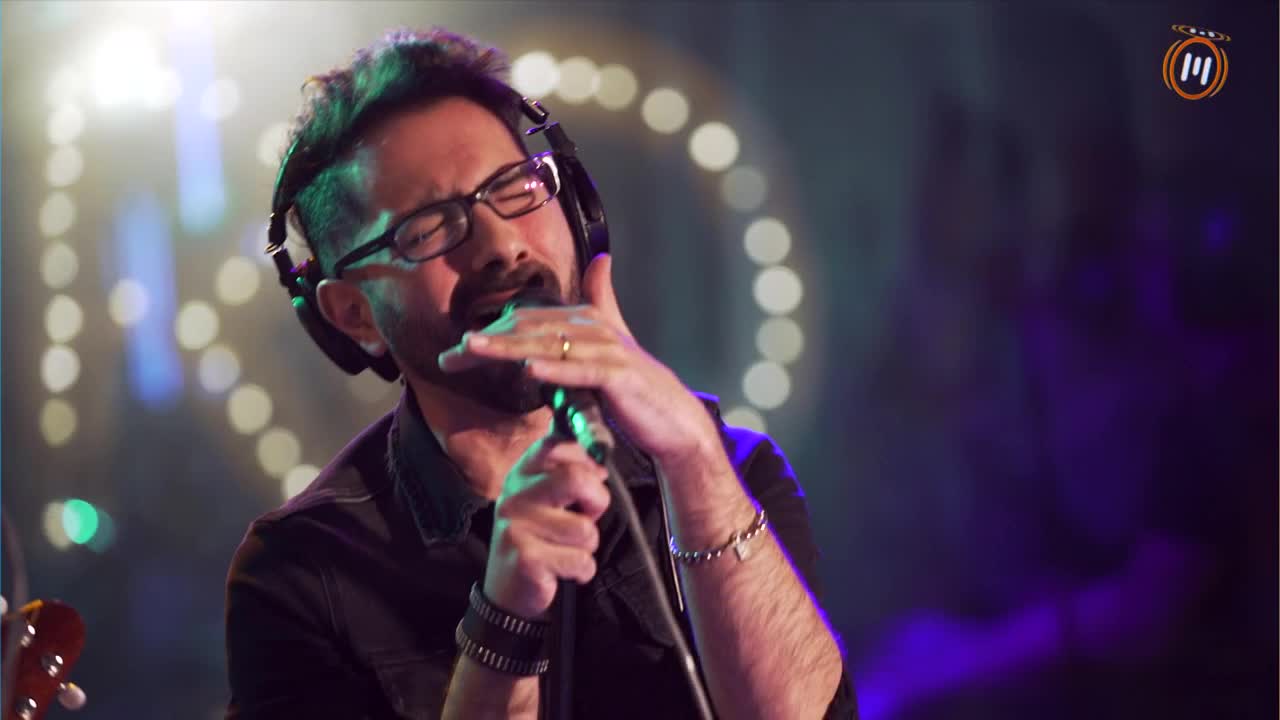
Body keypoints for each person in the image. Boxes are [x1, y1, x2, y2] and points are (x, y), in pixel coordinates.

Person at [224, 27, 854, 719]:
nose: (501, 244)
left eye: (515, 188)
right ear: (354, 315)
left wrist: (696, 464)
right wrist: (503, 622)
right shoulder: (301, 572)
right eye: (428, 228)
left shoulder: (727, 467)